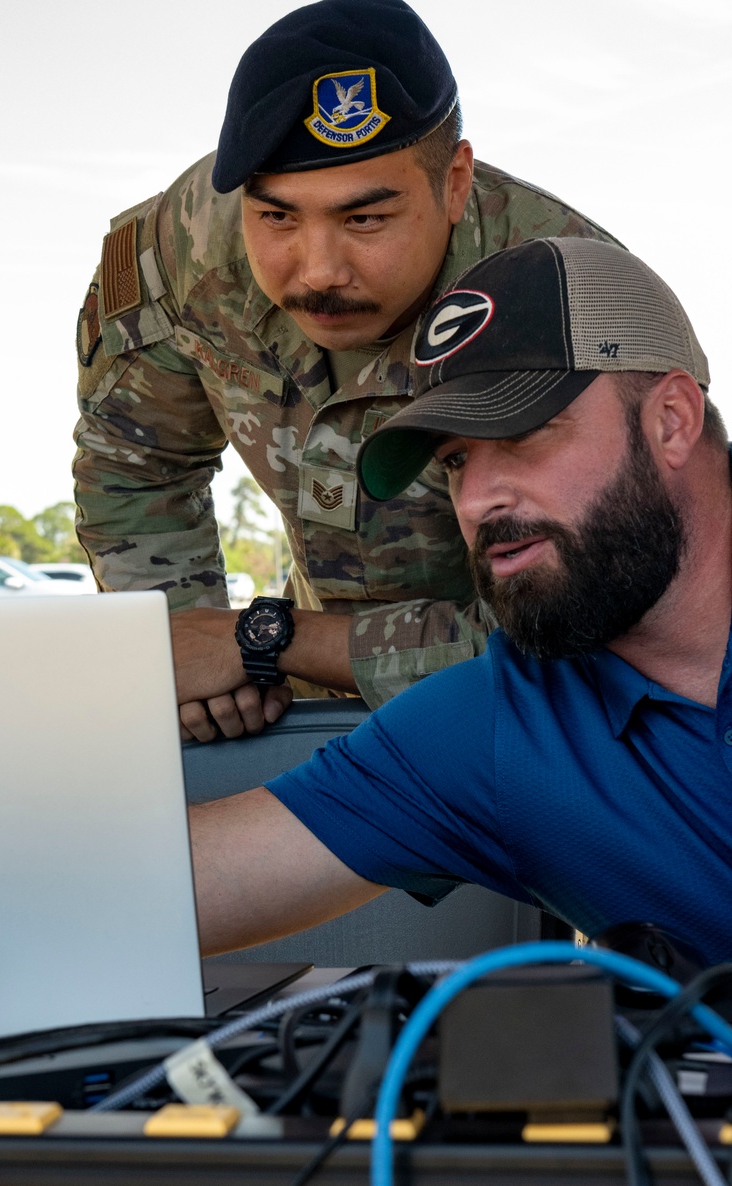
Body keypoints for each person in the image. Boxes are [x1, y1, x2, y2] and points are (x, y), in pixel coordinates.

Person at [72, 0, 622, 743]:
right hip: (302, 705)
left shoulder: (569, 304)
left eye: (365, 220)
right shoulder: (181, 250)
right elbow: (136, 468)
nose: (319, 270)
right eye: (278, 218)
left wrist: (261, 640)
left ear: (455, 183)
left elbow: (581, 630)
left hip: (530, 720)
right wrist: (184, 658)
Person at [190, 236, 732, 967]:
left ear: (671, 419)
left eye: (523, 433)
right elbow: (180, 887)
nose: (475, 500)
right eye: (454, 461)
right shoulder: (499, 726)